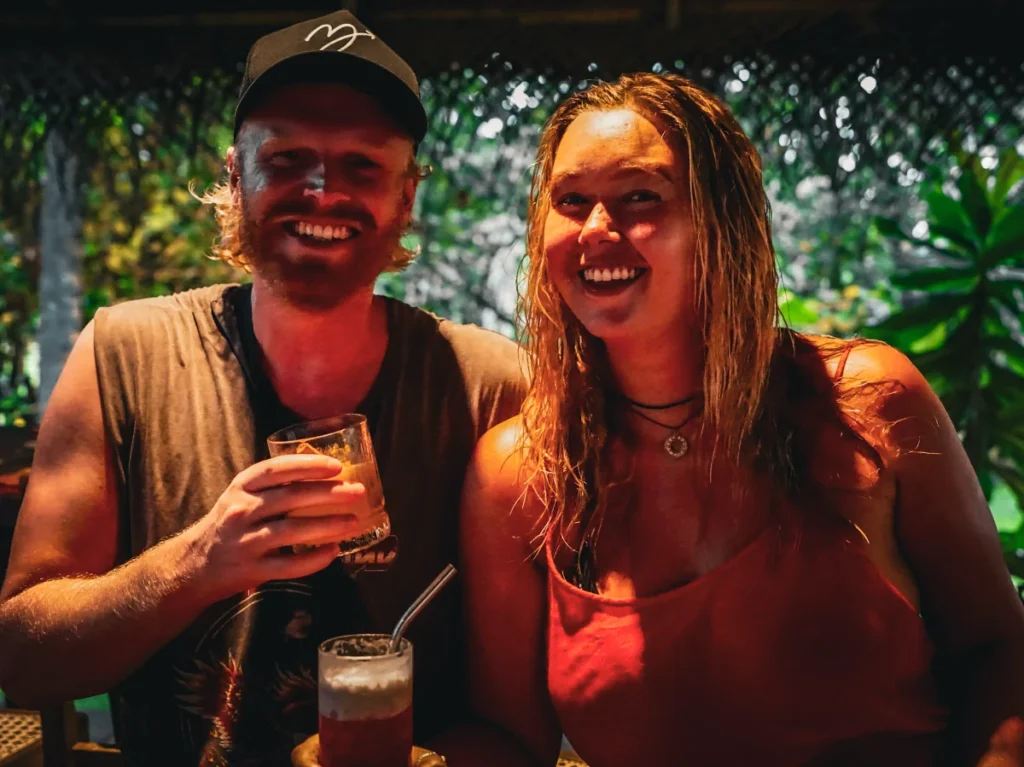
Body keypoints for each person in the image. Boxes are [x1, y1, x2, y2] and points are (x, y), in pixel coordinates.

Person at [0, 11, 532, 766]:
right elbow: (23, 656)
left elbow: (522, 730)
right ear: (233, 178)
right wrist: (196, 563)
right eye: (287, 158)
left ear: (406, 197)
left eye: (363, 165)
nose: (322, 190)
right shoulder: (124, 353)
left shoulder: (490, 387)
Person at [461, 72, 1024, 767]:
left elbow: (999, 647)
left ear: (723, 221)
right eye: (571, 201)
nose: (597, 229)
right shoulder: (519, 470)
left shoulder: (868, 399)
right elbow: (512, 742)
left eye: (641, 196)